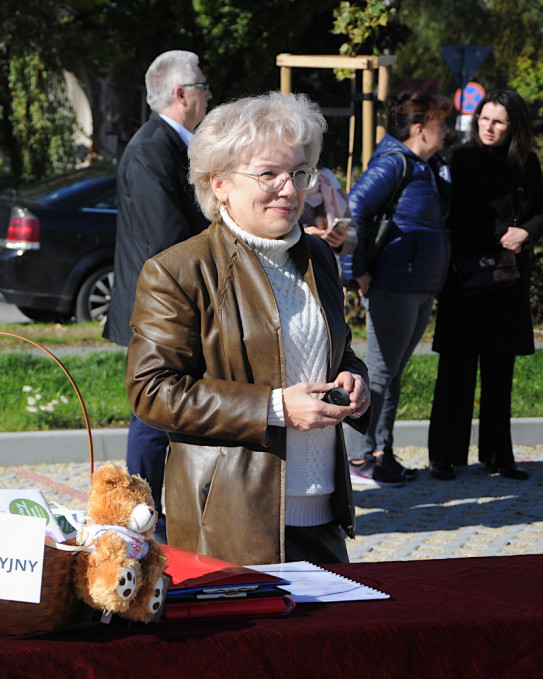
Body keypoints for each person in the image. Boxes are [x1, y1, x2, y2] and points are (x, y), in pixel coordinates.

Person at [125, 92, 372, 565]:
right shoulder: (179, 269)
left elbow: (332, 352)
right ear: (219, 183)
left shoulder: (318, 256)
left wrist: (353, 379)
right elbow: (151, 391)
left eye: (299, 173)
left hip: (321, 510)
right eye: (268, 174)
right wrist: (276, 408)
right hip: (230, 516)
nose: (289, 188)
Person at [102, 50, 211, 539]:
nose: (210, 94)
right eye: (203, 86)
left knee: (167, 408)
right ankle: (140, 513)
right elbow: (168, 236)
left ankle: (161, 509)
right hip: (159, 307)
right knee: (152, 410)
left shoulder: (177, 144)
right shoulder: (152, 148)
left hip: (174, 304)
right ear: (181, 93)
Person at [427, 90, 543, 481]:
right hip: (466, 277)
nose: (488, 127)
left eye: (498, 121)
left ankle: (498, 455)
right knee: (457, 367)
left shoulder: (526, 163)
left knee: (500, 367)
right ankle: (445, 455)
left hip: (507, 277)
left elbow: (542, 212)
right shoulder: (461, 158)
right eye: (483, 119)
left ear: (514, 125)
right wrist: (502, 233)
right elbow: (455, 215)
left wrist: (524, 233)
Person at [340, 91, 452, 487]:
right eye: (441, 123)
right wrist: (357, 270)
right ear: (420, 129)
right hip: (393, 284)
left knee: (395, 373)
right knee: (380, 374)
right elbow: (355, 208)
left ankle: (381, 452)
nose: (447, 130)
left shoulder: (429, 166)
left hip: (418, 285)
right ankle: (359, 457)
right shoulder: (395, 164)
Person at [300, 168, 357, 257]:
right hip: (288, 264)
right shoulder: (284, 181)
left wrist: (341, 240)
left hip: (323, 262)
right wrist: (298, 236)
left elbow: (352, 230)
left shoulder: (326, 177)